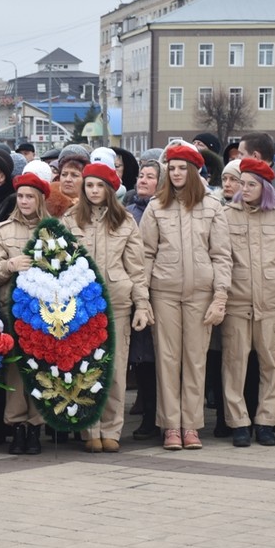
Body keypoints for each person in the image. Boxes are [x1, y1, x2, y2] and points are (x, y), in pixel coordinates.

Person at [139, 143, 232, 450]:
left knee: (195, 360)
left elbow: (221, 255)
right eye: (172, 168)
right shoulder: (156, 207)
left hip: (200, 295)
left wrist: (220, 297)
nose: (176, 173)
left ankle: (190, 425)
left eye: (182, 168)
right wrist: (144, 298)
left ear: (194, 171)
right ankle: (170, 426)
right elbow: (145, 256)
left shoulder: (212, 206)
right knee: (167, 360)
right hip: (164, 293)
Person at [66, 163, 152, 453]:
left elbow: (137, 269)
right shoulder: (69, 220)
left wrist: (142, 304)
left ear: (110, 189)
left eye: (99, 186)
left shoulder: (125, 221)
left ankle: (112, 428)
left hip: (117, 302)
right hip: (80, 305)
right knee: (86, 368)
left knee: (114, 371)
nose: (93, 191)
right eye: (89, 185)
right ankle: (90, 428)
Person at [221, 159, 275, 447]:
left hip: (272, 302)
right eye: (242, 183)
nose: (244, 189)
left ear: (265, 187)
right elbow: (220, 260)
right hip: (237, 301)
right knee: (234, 364)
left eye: (251, 184)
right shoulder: (226, 215)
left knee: (271, 364)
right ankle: (239, 422)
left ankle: (266, 421)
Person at [0, 172, 52, 454]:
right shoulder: (2, 230)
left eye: (30, 197)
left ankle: (36, 426)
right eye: (21, 196)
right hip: (11, 309)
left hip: (44, 312)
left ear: (40, 200)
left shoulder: (53, 230)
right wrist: (9, 265)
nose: (24, 201)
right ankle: (16, 427)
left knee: (39, 369)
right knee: (14, 370)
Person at [127, 159, 161, 441]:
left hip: (162, 292)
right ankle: (149, 415)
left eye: (150, 177)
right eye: (141, 175)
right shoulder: (128, 213)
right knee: (143, 359)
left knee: (164, 358)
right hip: (135, 293)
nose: (143, 180)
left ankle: (163, 416)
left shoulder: (166, 211)